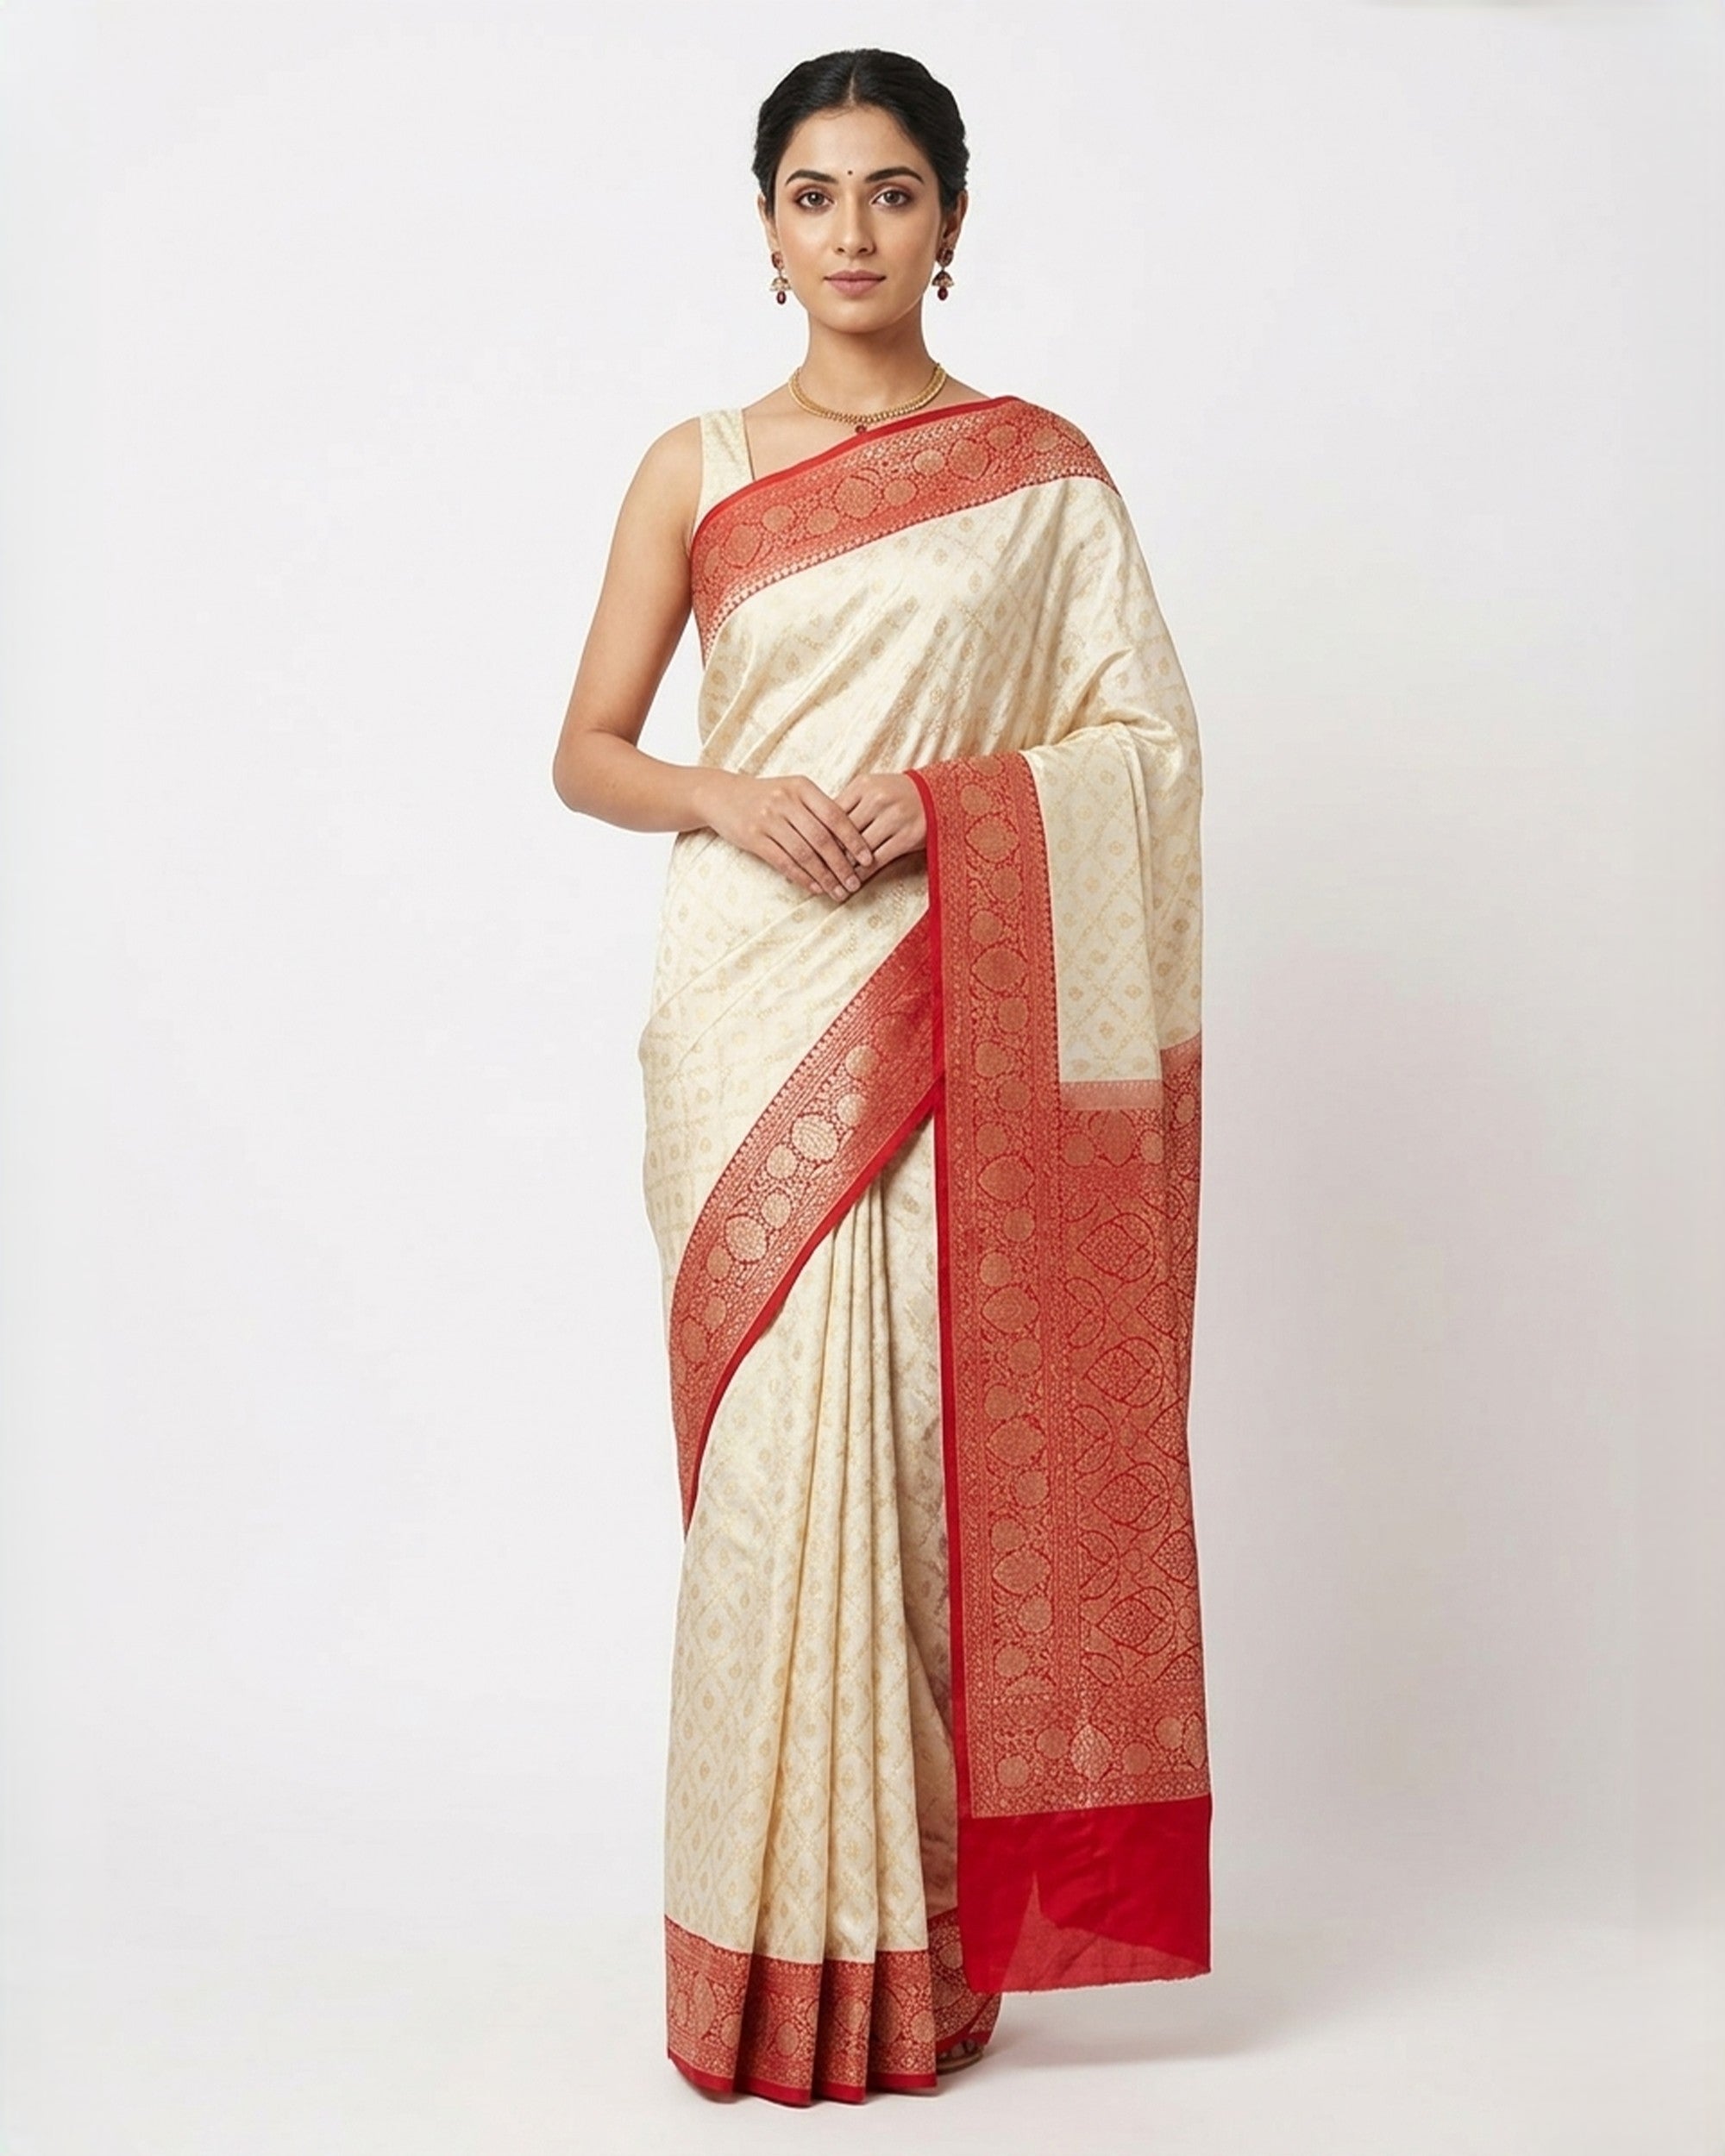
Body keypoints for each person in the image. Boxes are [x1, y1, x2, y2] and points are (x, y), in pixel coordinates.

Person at [552, 47, 1211, 2108]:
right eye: (814, 194)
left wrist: (941, 808)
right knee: (777, 1490)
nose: (853, 231)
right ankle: (760, 1966)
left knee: (931, 1471)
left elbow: (1143, 747)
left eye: (893, 191)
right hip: (752, 999)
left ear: (950, 218)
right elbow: (588, 749)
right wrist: (734, 796)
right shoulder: (694, 465)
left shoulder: (1039, 473)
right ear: (765, 229)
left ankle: (915, 1960)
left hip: (959, 1001)